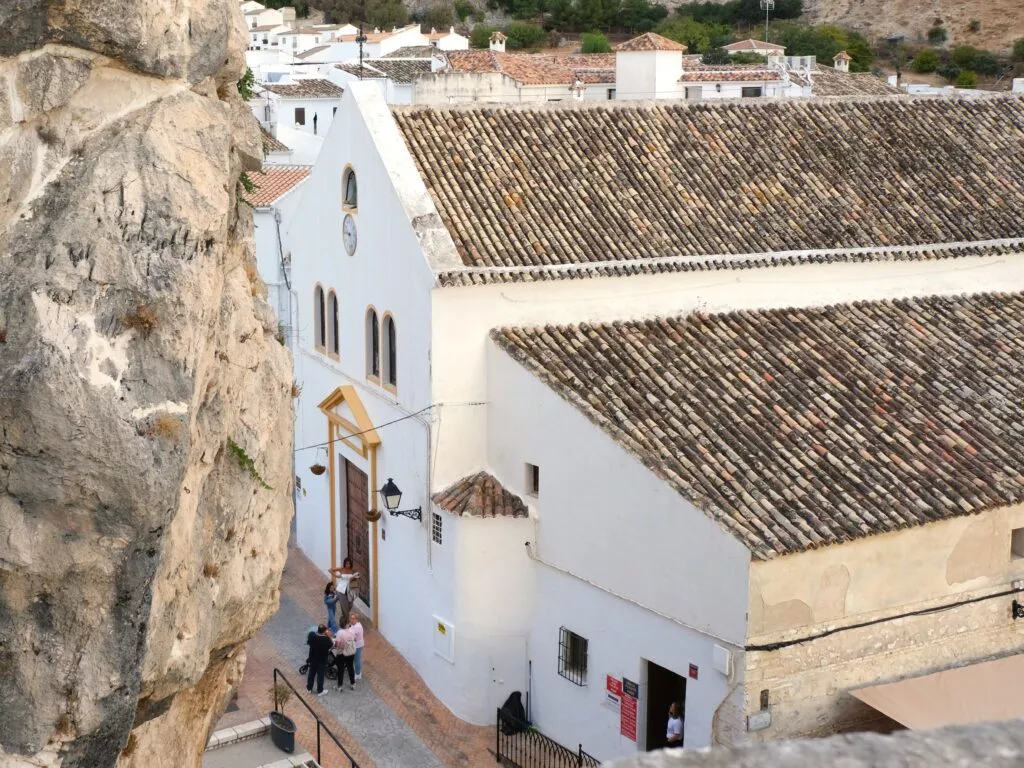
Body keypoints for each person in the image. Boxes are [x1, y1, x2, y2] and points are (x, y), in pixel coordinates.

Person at [306, 624, 333, 696]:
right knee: (320, 675)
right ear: (324, 632)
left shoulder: (312, 635)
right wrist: (328, 636)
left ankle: (309, 688)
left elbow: (309, 638)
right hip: (321, 660)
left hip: (312, 658)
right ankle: (320, 690)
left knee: (311, 673)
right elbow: (331, 644)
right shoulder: (326, 640)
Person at [333, 616, 357, 691]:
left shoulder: (339, 633)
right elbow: (355, 639)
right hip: (350, 652)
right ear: (347, 623)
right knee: (350, 667)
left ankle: (339, 686)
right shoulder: (352, 631)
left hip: (341, 653)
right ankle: (353, 684)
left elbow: (337, 644)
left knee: (341, 669)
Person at [348, 612, 365, 680]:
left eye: (353, 619)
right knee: (355, 659)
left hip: (357, 645)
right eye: (350, 618)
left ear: (357, 619)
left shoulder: (357, 627)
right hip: (356, 644)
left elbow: (352, 637)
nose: (351, 620)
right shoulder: (354, 625)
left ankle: (358, 674)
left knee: (357, 660)